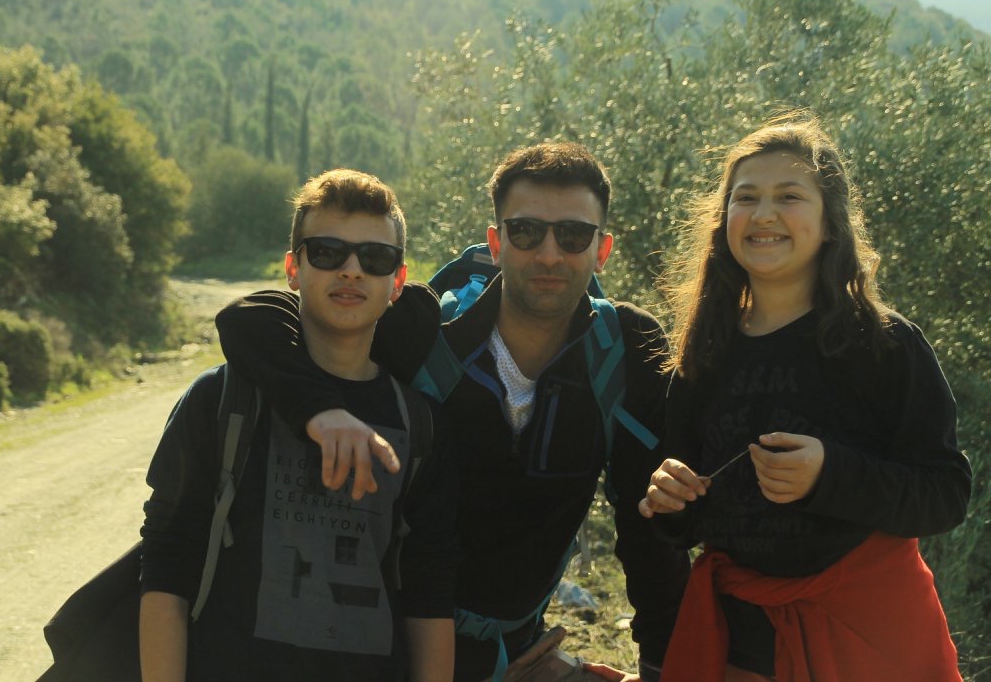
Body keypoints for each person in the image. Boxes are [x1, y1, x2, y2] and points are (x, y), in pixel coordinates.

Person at [214, 143, 691, 681]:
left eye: (573, 235)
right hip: (385, 647)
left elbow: (649, 525)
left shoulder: (625, 349)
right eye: (526, 232)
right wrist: (320, 409)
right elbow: (251, 318)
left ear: (602, 250)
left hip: (516, 654)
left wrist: (660, 670)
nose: (549, 254)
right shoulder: (429, 332)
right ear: (496, 242)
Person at [639, 117, 972, 681]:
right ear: (724, 221)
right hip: (740, 640)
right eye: (746, 198)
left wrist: (829, 475)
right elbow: (687, 519)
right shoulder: (705, 351)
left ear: (830, 222)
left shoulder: (884, 345)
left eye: (789, 196)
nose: (764, 214)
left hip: (870, 639)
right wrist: (671, 499)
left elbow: (945, 494)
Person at [138, 169, 459, 682]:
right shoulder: (221, 400)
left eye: (375, 258)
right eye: (327, 252)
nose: (351, 270)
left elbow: (429, 593)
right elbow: (166, 567)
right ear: (293, 268)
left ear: (398, 281)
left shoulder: (423, 426)